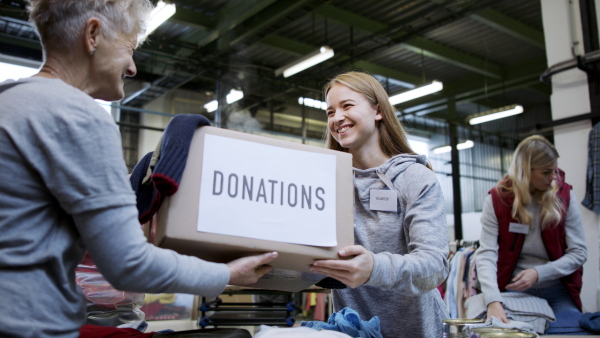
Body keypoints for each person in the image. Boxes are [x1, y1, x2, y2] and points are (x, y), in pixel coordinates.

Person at [0, 1, 276, 337]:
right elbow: (128, 265)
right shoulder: (76, 116)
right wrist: (227, 274)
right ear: (93, 35)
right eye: (129, 50)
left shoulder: (9, 102)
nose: (132, 68)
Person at [308, 71, 450, 338]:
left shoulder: (415, 178)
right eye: (329, 112)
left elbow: (434, 265)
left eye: (347, 106)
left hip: (415, 331)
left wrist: (373, 268)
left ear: (378, 111)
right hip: (354, 331)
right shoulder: (325, 184)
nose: (337, 118)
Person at [475, 135, 587, 326]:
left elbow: (579, 253)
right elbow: (486, 254)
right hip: (514, 291)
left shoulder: (565, 195)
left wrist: (539, 272)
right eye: (546, 172)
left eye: (554, 171)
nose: (553, 178)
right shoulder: (496, 200)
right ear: (525, 171)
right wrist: (493, 300)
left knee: (573, 330)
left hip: (559, 291)